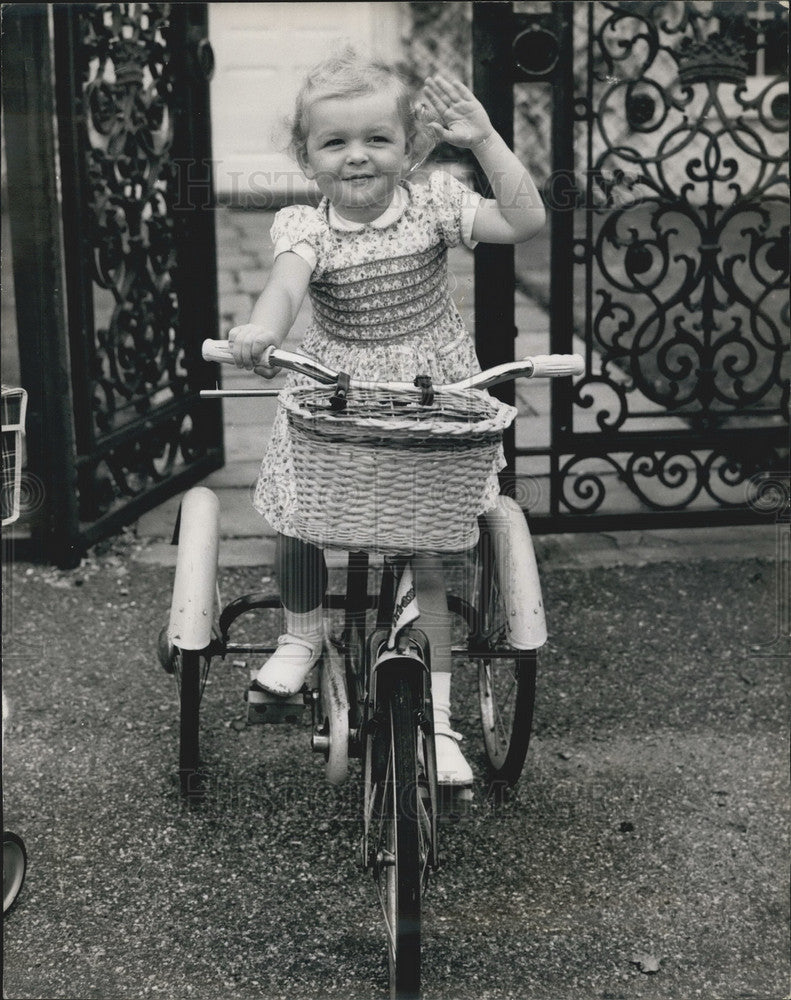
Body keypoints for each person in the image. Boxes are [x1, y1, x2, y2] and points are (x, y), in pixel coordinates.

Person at [228, 51, 545, 785]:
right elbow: (283, 287)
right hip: (339, 390)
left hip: (427, 396)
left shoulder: (435, 202)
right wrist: (260, 331)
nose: (357, 156)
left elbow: (523, 221)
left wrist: (486, 138)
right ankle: (302, 636)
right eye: (334, 142)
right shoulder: (308, 225)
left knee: (424, 549)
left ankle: (435, 721)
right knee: (299, 515)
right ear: (305, 157)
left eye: (377, 138)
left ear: (409, 149)